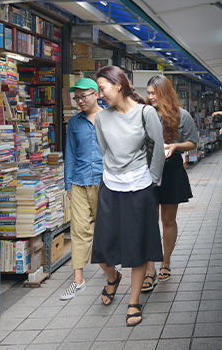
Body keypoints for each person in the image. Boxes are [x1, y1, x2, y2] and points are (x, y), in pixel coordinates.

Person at [91, 66, 165, 327]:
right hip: (111, 186)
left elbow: (156, 150)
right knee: (101, 246)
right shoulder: (101, 118)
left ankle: (133, 302)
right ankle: (113, 279)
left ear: (118, 85)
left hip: (140, 186)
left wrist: (150, 178)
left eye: (102, 88)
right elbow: (104, 150)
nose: (101, 95)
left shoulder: (146, 113)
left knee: (137, 247)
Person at [142, 75, 199, 292]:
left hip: (171, 169)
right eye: (148, 93)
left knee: (168, 219)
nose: (150, 97)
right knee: (149, 220)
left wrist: (175, 146)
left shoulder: (181, 116)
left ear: (165, 93)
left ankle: (165, 262)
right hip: (146, 171)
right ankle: (150, 268)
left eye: (154, 93)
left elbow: (193, 142)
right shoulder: (144, 114)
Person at [61, 78, 104, 301]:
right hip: (79, 181)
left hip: (104, 181)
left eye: (83, 96)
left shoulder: (110, 117)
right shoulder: (74, 123)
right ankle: (78, 279)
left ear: (96, 94)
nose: (79, 101)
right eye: (76, 97)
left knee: (106, 228)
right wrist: (68, 185)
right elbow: (69, 154)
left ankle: (111, 271)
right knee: (78, 229)